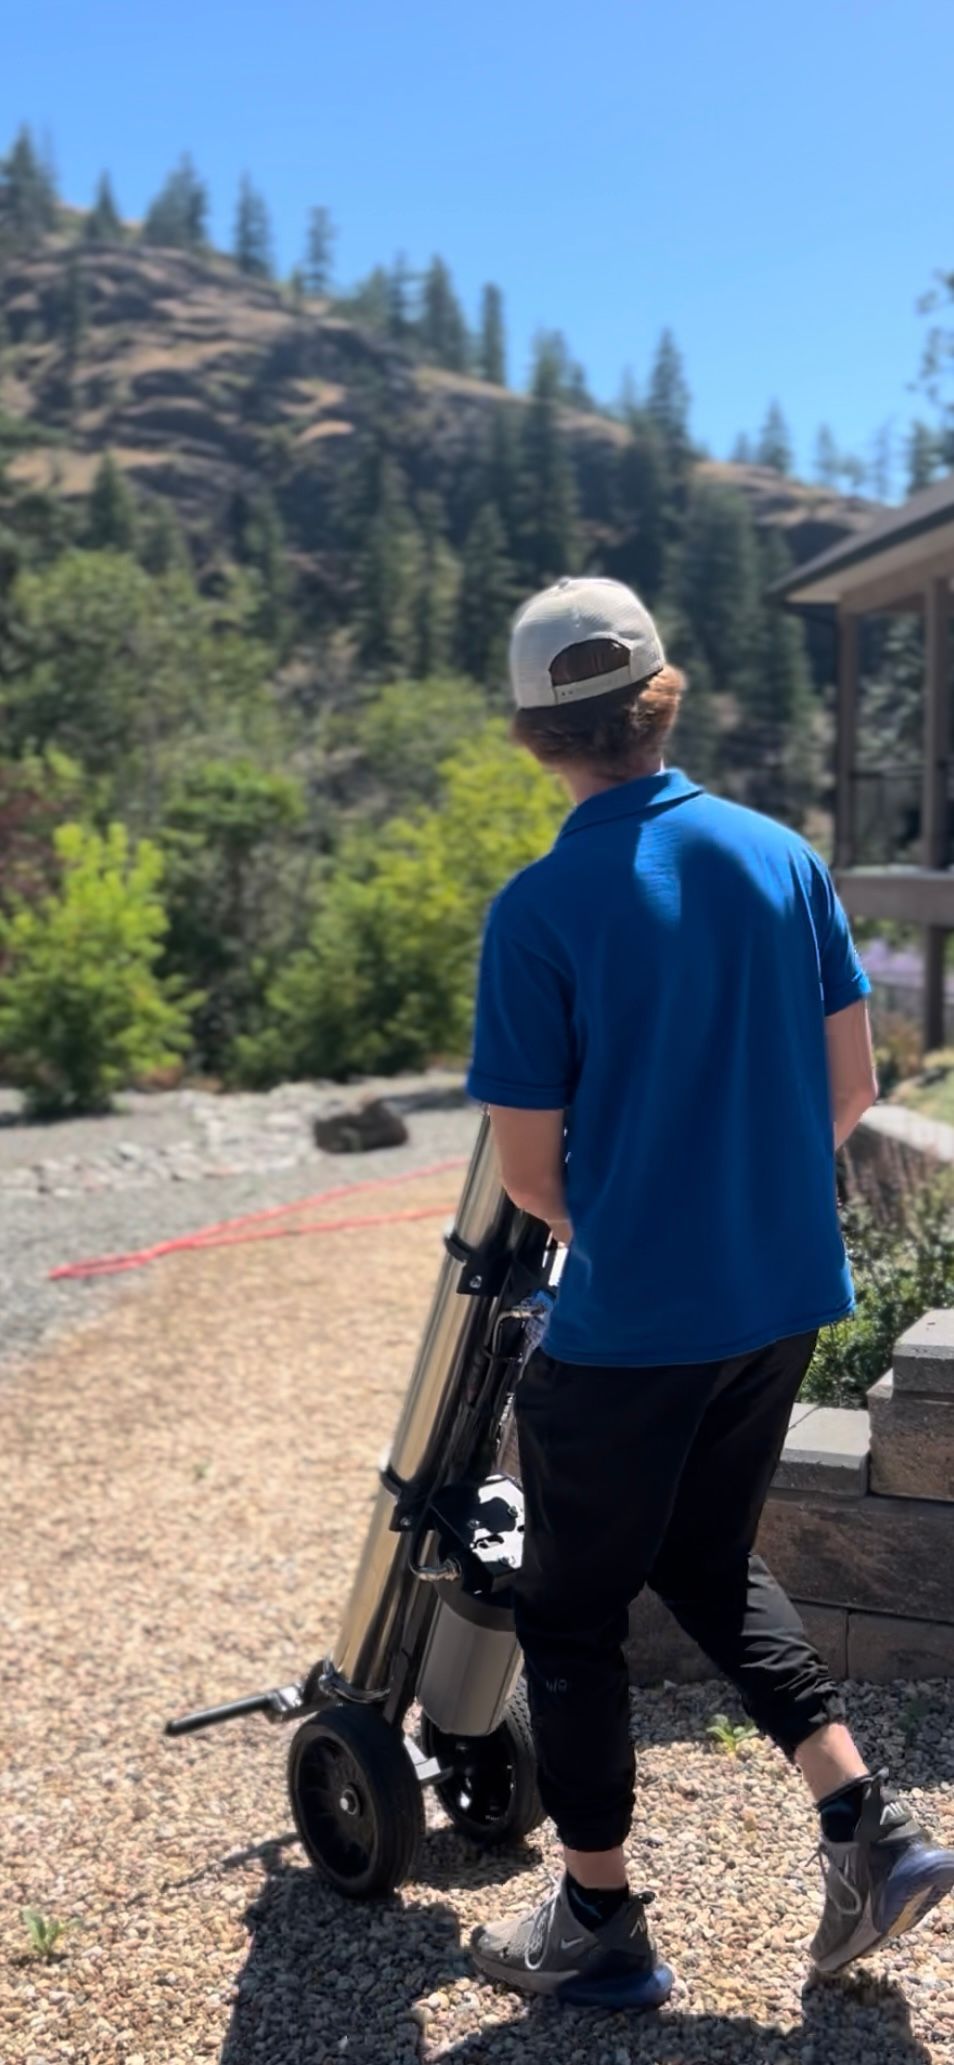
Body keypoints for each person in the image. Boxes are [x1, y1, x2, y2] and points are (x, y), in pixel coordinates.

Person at [465, 576, 954, 2009]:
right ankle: (872, 1825)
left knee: (568, 1611)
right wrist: (743, 1205)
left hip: (632, 1324)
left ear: (529, 733)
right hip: (781, 1292)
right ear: (660, 697)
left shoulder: (539, 909)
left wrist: (648, 1226)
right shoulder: (780, 859)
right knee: (700, 1556)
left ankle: (598, 1921)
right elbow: (851, 1087)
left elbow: (531, 1176)